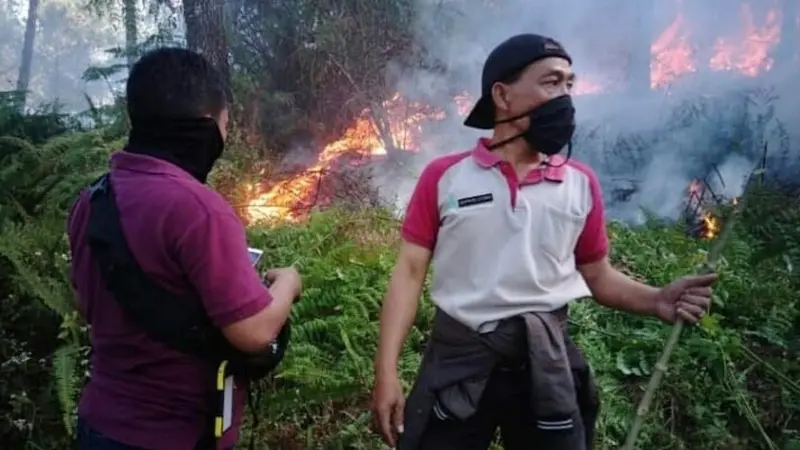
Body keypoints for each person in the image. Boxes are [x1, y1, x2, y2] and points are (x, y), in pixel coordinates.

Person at [370, 34, 717, 450]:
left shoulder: (580, 183)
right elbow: (409, 274)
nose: (566, 97)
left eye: (570, 84)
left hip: (545, 364)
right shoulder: (445, 177)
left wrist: (657, 299)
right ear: (502, 94)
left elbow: (598, 275)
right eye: (551, 82)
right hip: (458, 362)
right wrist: (386, 371)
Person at [67, 47, 301, 450]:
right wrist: (288, 284)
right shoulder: (199, 209)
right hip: (174, 434)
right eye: (226, 123)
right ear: (207, 124)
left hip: (99, 424)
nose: (226, 137)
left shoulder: (92, 200)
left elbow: (87, 305)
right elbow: (255, 332)